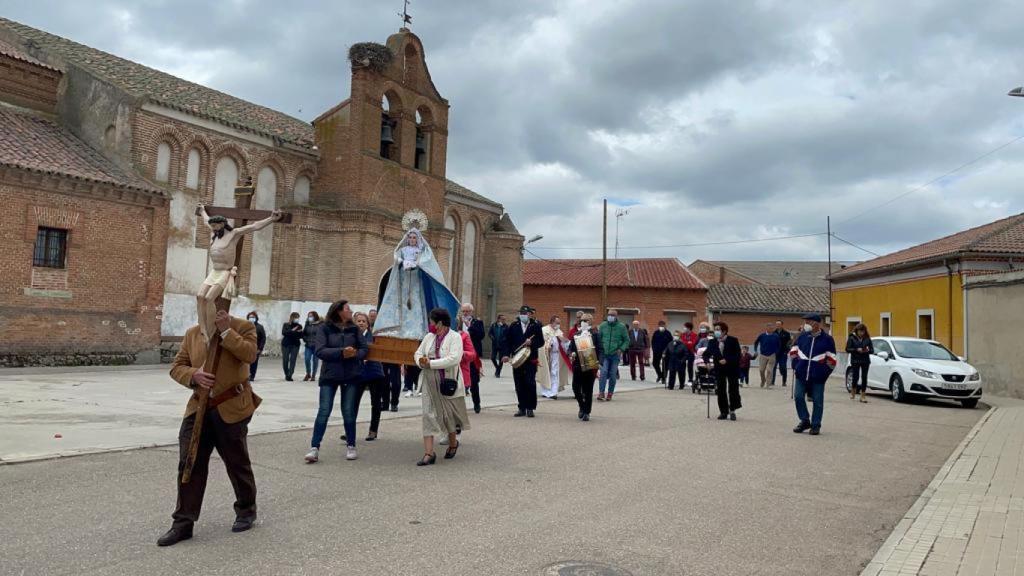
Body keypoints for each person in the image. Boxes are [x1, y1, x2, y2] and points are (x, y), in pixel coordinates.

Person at [159, 309, 260, 547]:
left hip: (231, 406)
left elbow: (249, 355)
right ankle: (183, 523)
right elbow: (177, 367)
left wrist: (226, 331)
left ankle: (246, 510)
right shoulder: (193, 333)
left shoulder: (243, 327)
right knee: (189, 463)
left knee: (237, 463)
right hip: (199, 407)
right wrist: (194, 375)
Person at [304, 300, 368, 463]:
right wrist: (341, 352)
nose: (350, 310)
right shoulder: (324, 328)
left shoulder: (354, 329)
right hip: (330, 375)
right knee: (324, 410)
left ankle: (351, 445)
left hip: (351, 375)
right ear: (339, 311)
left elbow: (364, 349)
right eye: (347, 308)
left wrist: (354, 354)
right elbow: (320, 350)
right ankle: (314, 448)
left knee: (348, 411)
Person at [414, 307, 471, 466]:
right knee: (428, 415)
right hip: (429, 381)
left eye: (432, 321)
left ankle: (453, 443)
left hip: (447, 381)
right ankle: (428, 453)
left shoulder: (455, 337)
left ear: (439, 323)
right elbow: (418, 353)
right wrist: (420, 361)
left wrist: (431, 363)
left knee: (448, 417)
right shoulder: (429, 337)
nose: (430, 325)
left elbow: (454, 358)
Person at [791, 314, 837, 436]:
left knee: (817, 401)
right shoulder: (802, 337)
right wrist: (796, 366)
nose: (805, 324)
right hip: (801, 374)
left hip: (818, 376)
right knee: (798, 396)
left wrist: (824, 373)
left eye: (808, 321)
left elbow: (832, 360)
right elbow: (793, 352)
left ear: (817, 323)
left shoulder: (827, 339)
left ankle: (816, 425)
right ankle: (805, 420)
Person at [501, 305, 544, 417]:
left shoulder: (536, 326)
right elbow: (507, 341)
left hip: (530, 359)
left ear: (530, 314)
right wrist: (506, 354)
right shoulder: (514, 326)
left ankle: (530, 408)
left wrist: (532, 343)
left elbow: (541, 342)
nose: (523, 315)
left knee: (530, 383)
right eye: (521, 313)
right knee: (519, 384)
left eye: (525, 314)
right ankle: (522, 407)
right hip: (517, 359)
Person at [355, 312, 387, 441]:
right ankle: (349, 431)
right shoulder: (351, 336)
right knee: (353, 403)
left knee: (375, 403)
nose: (361, 323)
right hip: (358, 374)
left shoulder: (373, 336)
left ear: (368, 324)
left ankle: (373, 430)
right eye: (359, 321)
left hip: (374, 373)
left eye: (364, 321)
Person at [568, 312, 603, 421]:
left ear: (591, 322)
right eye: (582, 320)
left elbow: (601, 349)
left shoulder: (596, 334)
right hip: (578, 365)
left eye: (586, 320)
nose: (583, 322)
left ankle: (587, 412)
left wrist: (599, 362)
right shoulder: (576, 334)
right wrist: (571, 353)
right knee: (575, 387)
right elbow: (570, 348)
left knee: (588, 390)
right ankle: (582, 406)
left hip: (591, 365)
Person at [704, 321, 742, 420]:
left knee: (733, 389)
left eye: (718, 330)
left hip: (731, 368)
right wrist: (707, 362)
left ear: (724, 331)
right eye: (715, 330)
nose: (716, 332)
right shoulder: (712, 342)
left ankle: (732, 409)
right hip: (719, 369)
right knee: (721, 390)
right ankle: (723, 411)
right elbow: (706, 354)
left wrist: (727, 360)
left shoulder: (733, 340)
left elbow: (738, 355)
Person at [597, 309, 629, 401]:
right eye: (609, 315)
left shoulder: (621, 327)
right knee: (603, 373)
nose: (610, 316)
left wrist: (621, 349)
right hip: (604, 354)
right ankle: (601, 392)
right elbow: (599, 339)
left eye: (612, 315)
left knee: (612, 374)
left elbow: (626, 340)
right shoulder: (603, 326)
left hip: (615, 355)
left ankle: (610, 393)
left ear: (616, 316)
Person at [460, 303, 486, 413]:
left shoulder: (478, 323)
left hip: (473, 355)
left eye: (467, 311)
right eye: (464, 311)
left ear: (471, 312)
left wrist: (470, 326)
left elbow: (481, 335)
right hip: (461, 355)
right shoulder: (458, 322)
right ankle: (460, 406)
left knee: (474, 381)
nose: (465, 313)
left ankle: (477, 403)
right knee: (460, 381)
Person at [539, 315, 571, 400]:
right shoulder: (544, 330)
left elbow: (563, 342)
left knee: (554, 373)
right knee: (546, 373)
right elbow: (541, 342)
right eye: (557, 323)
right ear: (552, 322)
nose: (558, 325)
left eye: (559, 323)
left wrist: (566, 342)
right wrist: (548, 345)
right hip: (546, 354)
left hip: (556, 355)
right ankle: (545, 392)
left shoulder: (558, 330)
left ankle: (553, 392)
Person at [846, 323, 874, 403]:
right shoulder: (851, 338)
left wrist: (867, 350)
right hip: (855, 360)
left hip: (865, 360)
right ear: (857, 331)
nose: (862, 333)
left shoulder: (867, 339)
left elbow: (872, 350)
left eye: (863, 331)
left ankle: (863, 396)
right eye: (860, 331)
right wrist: (856, 350)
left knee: (864, 377)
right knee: (856, 376)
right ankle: (853, 391)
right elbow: (847, 349)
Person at [753, 323, 780, 388]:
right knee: (761, 370)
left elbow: (779, 344)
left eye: (772, 328)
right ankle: (763, 380)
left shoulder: (776, 336)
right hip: (763, 355)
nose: (771, 329)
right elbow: (756, 342)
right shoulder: (762, 335)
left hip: (772, 355)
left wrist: (776, 352)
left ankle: (768, 384)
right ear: (766, 328)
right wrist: (755, 350)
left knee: (769, 370)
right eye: (769, 328)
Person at [281, 312, 303, 381]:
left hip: (295, 344)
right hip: (286, 344)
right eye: (296, 318)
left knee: (293, 360)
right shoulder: (286, 324)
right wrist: (293, 331)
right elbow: (284, 333)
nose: (297, 319)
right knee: (285, 360)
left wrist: (296, 332)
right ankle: (286, 373)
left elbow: (300, 336)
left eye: (298, 318)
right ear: (292, 318)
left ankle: (290, 375)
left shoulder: (299, 326)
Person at [301, 311, 322, 381]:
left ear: (315, 316)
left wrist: (319, 342)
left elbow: (322, 334)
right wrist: (305, 339)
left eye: (311, 316)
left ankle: (313, 375)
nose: (310, 318)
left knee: (315, 361)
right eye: (309, 316)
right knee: (307, 359)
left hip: (317, 346)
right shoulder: (307, 324)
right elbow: (304, 333)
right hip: (308, 345)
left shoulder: (320, 325)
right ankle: (308, 373)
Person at [246, 311, 266, 382]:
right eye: (250, 317)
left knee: (254, 363)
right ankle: (246, 375)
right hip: (247, 347)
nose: (251, 318)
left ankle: (252, 376)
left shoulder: (260, 327)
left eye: (253, 317)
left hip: (256, 348)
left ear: (256, 318)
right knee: (246, 363)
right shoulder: (245, 326)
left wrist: (260, 349)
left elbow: (263, 338)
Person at [650, 320, 672, 384]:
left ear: (665, 326)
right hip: (657, 351)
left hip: (665, 352)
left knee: (665, 365)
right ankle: (659, 375)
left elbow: (670, 343)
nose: (661, 327)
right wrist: (654, 349)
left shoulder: (668, 333)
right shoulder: (656, 333)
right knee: (655, 363)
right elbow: (653, 341)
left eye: (662, 325)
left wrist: (667, 350)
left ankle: (664, 378)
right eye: (660, 326)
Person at [774, 320, 792, 387]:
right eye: (776, 324)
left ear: (782, 325)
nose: (777, 325)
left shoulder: (786, 333)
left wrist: (787, 351)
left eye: (779, 324)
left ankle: (784, 381)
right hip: (775, 353)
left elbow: (789, 343)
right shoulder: (773, 333)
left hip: (783, 353)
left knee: (783, 367)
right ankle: (772, 382)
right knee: (773, 367)